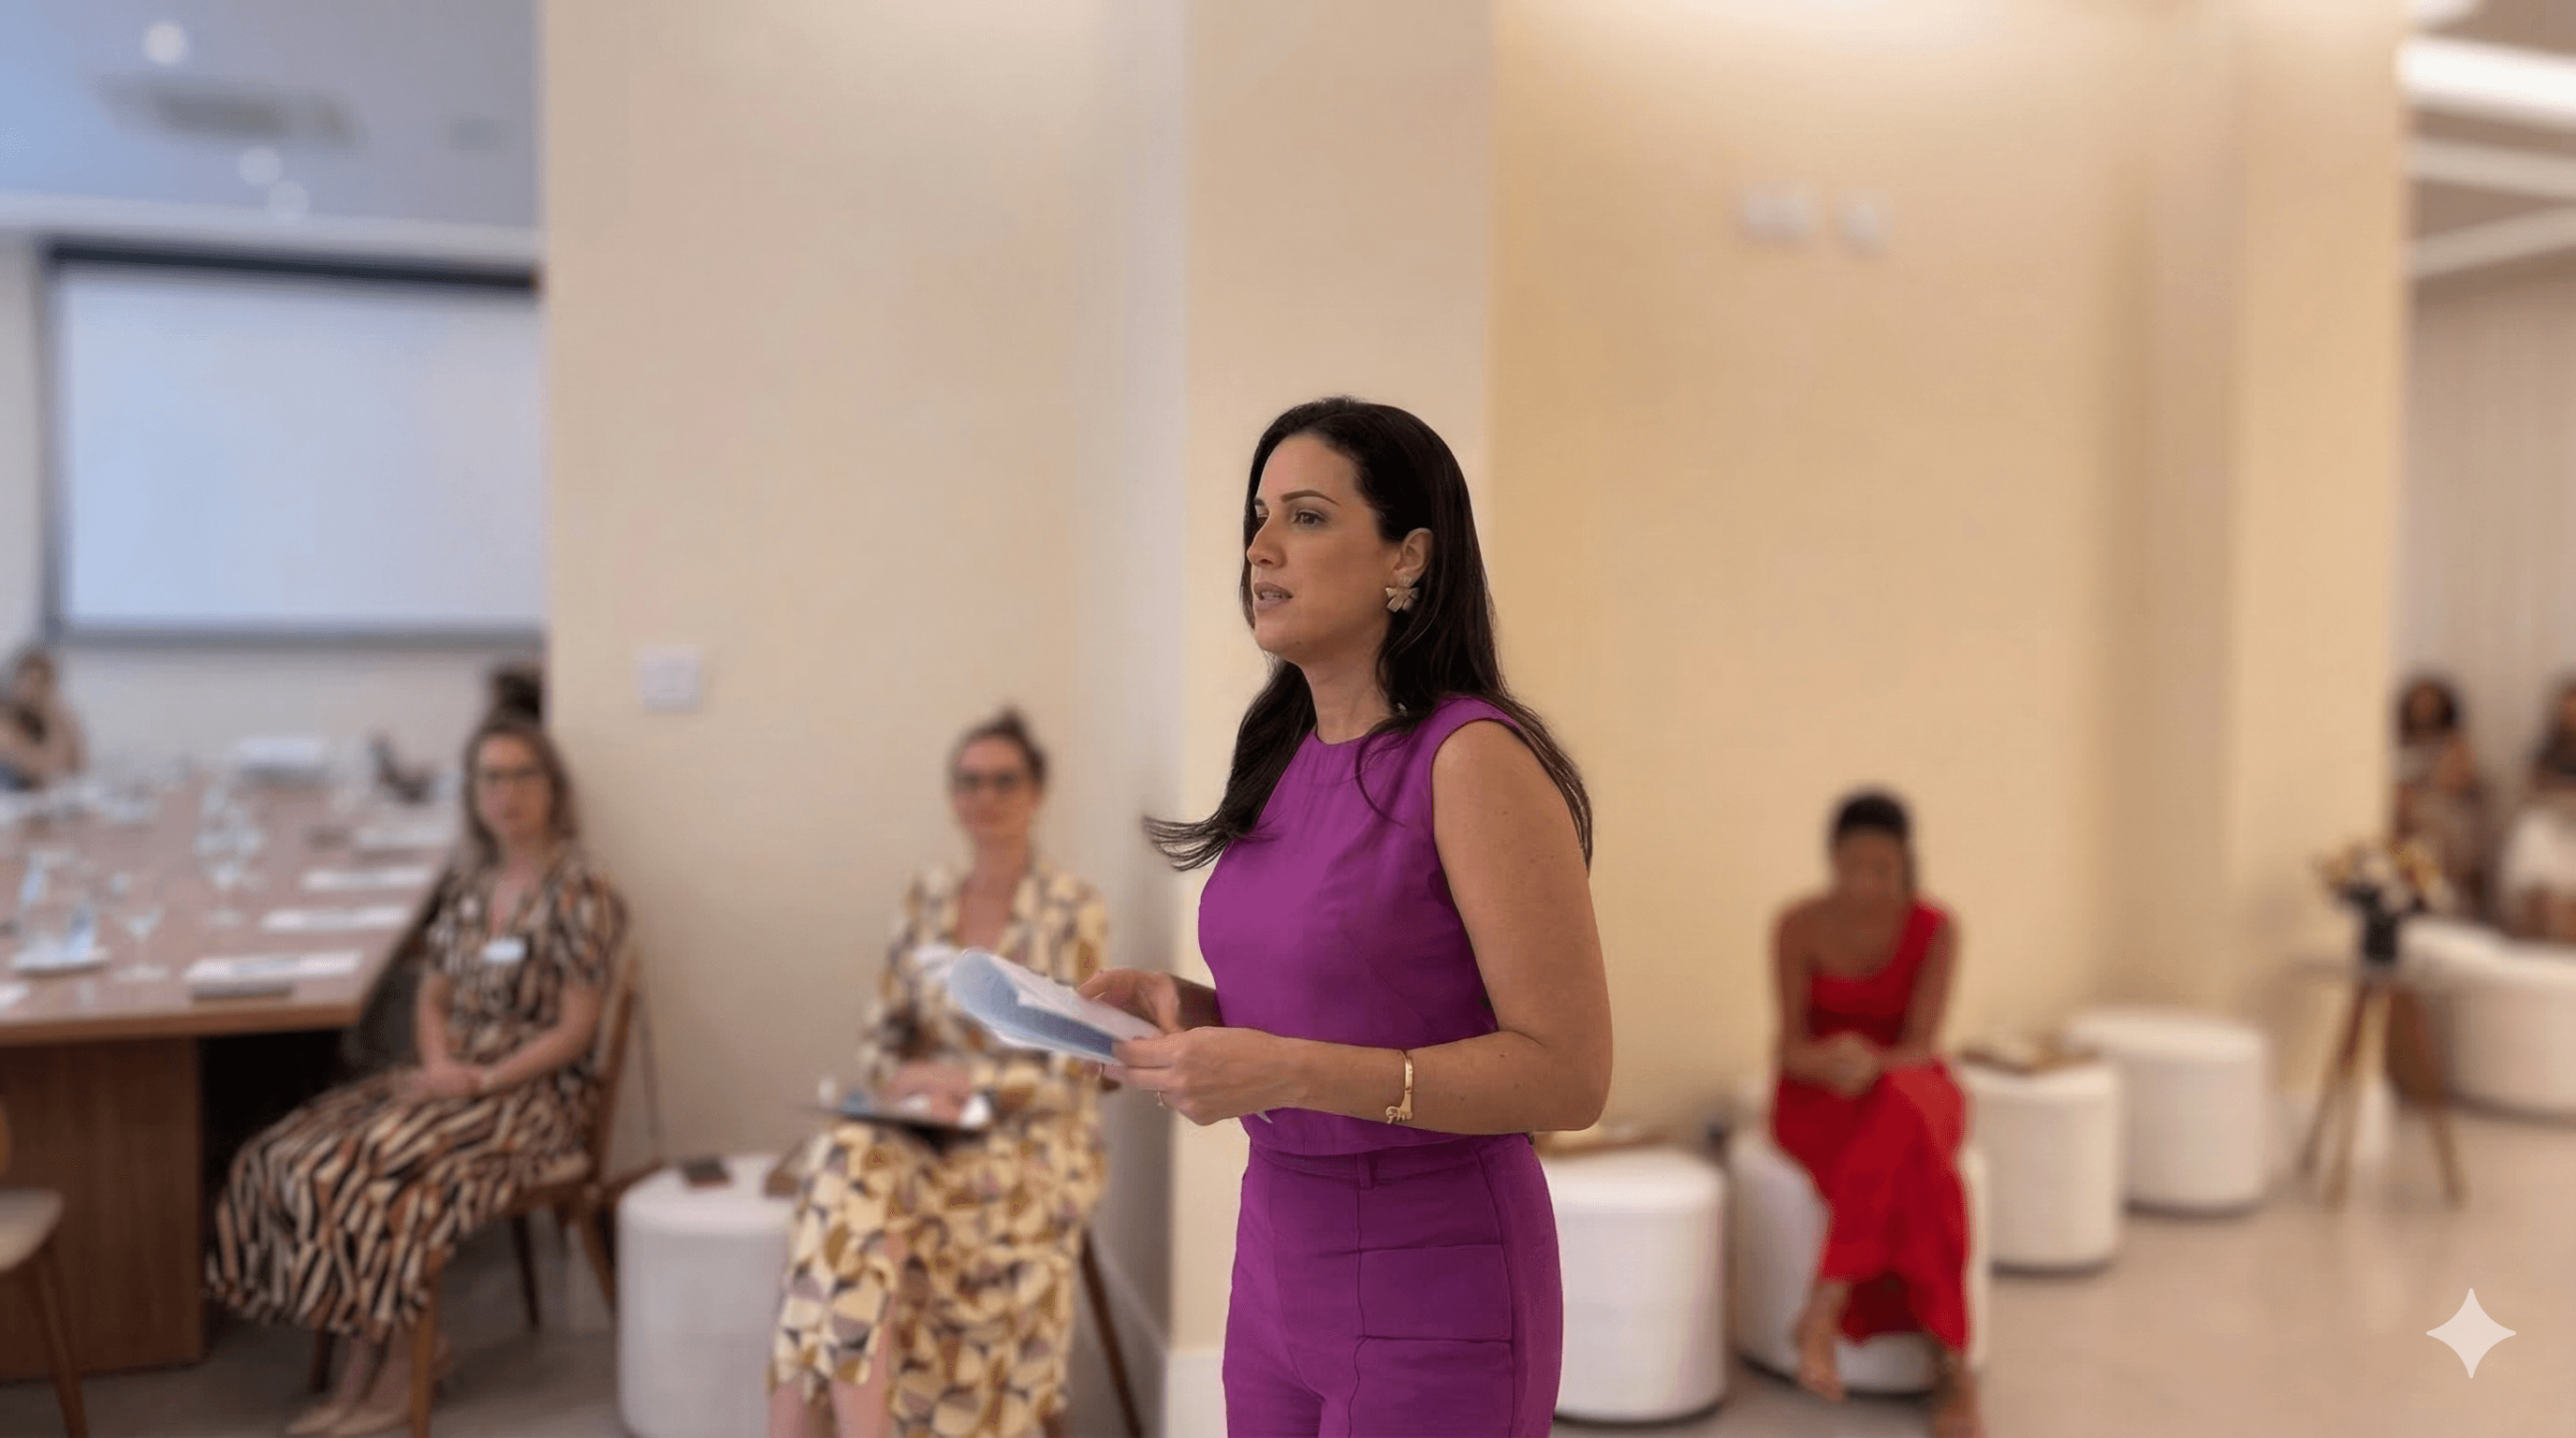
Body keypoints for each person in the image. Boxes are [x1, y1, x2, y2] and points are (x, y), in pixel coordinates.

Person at [1079, 397, 1611, 1438]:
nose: (1261, 547)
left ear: (1406, 559)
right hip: (1276, 1263)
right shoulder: (1281, 757)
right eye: (1258, 515)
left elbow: (1570, 1073)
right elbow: (1349, 994)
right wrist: (1185, 1011)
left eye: (1308, 517)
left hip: (1439, 1281)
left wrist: (1285, 1069)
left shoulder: (1473, 761)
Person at [207, 714, 626, 1436]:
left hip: (529, 1094)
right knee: (285, 1151)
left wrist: (485, 1081)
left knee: (373, 1165)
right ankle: (378, 1353)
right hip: (449, 1076)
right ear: (472, 792)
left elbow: (575, 1030)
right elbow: (432, 995)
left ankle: (392, 1369)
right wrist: (438, 1065)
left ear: (554, 788)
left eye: (524, 774)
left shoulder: (582, 891)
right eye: (490, 777)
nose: (507, 793)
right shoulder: (470, 885)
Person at [768, 710, 1109, 1438]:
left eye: (1003, 781)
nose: (985, 797)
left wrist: (977, 1089)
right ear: (952, 796)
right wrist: (915, 1083)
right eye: (969, 782)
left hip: (1030, 1137)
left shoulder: (1073, 908)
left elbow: (1083, 1066)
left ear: (1037, 792)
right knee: (847, 1162)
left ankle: (799, 1424)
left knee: (840, 1203)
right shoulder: (926, 899)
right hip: (922, 1125)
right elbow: (882, 1036)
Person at [1770, 790, 1980, 1438]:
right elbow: (1789, 1047)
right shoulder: (1797, 924)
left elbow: (1923, 1044)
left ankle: (1822, 1309)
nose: (1865, 883)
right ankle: (1952, 1368)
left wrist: (1875, 1066)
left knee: (1903, 1105)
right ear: (1832, 859)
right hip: (1821, 1098)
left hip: (1908, 1085)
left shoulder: (1935, 928)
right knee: (1922, 1170)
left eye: (1881, 868)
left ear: (1903, 864)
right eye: (1852, 865)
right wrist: (1832, 1058)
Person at [2392, 677, 2486, 911]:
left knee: (2429, 829)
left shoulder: (2455, 743)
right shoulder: (2393, 742)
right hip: (2402, 811)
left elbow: (2453, 782)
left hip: (2443, 810)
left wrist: (2414, 798)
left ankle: (2431, 897)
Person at [2499, 682, 2576, 942]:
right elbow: (2533, 787)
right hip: (2552, 819)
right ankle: (2536, 928)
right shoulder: (2548, 749)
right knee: (2531, 830)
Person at [0, 647, 85, 791]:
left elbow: (77, 765)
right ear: (15, 680)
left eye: (41, 683)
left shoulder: (43, 719)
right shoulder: (4, 719)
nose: (34, 690)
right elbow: (43, 767)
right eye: (29, 681)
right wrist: (51, 711)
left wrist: (54, 712)